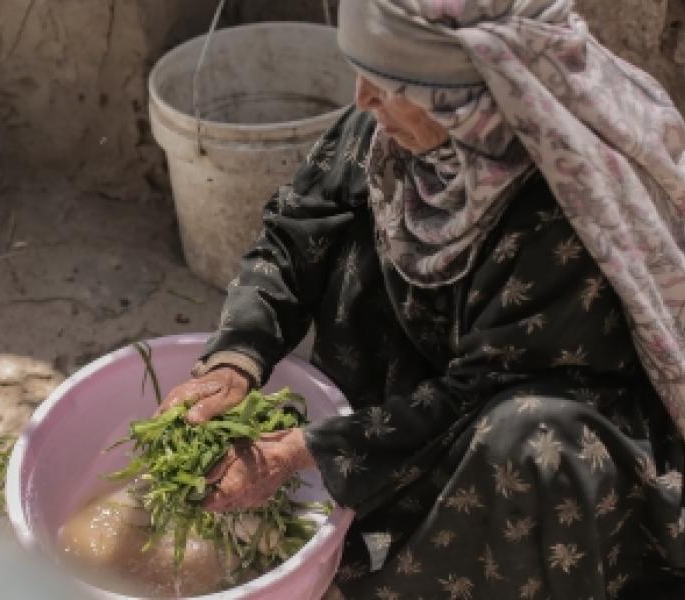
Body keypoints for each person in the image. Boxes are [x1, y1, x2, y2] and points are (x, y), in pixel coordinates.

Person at [159, 0, 685, 596]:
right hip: (433, 384)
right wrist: (238, 356)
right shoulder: (389, 130)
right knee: (358, 232)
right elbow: (297, 230)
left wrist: (305, 450)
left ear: (469, 96)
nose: (362, 100)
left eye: (388, 85)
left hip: (522, 429)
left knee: (528, 440)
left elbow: (477, 397)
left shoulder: (561, 210)